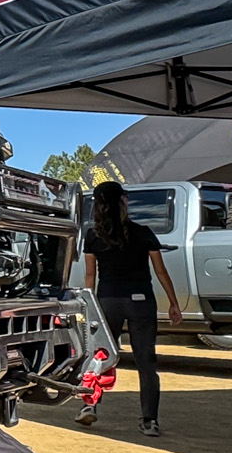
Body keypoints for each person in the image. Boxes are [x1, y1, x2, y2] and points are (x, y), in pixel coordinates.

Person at [77, 180, 181, 436]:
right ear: (124, 201)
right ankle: (150, 420)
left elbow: (90, 276)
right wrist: (174, 303)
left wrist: (90, 306)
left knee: (100, 355)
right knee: (146, 361)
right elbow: (160, 271)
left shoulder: (93, 236)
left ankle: (89, 406)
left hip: (108, 300)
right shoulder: (143, 232)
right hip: (141, 301)